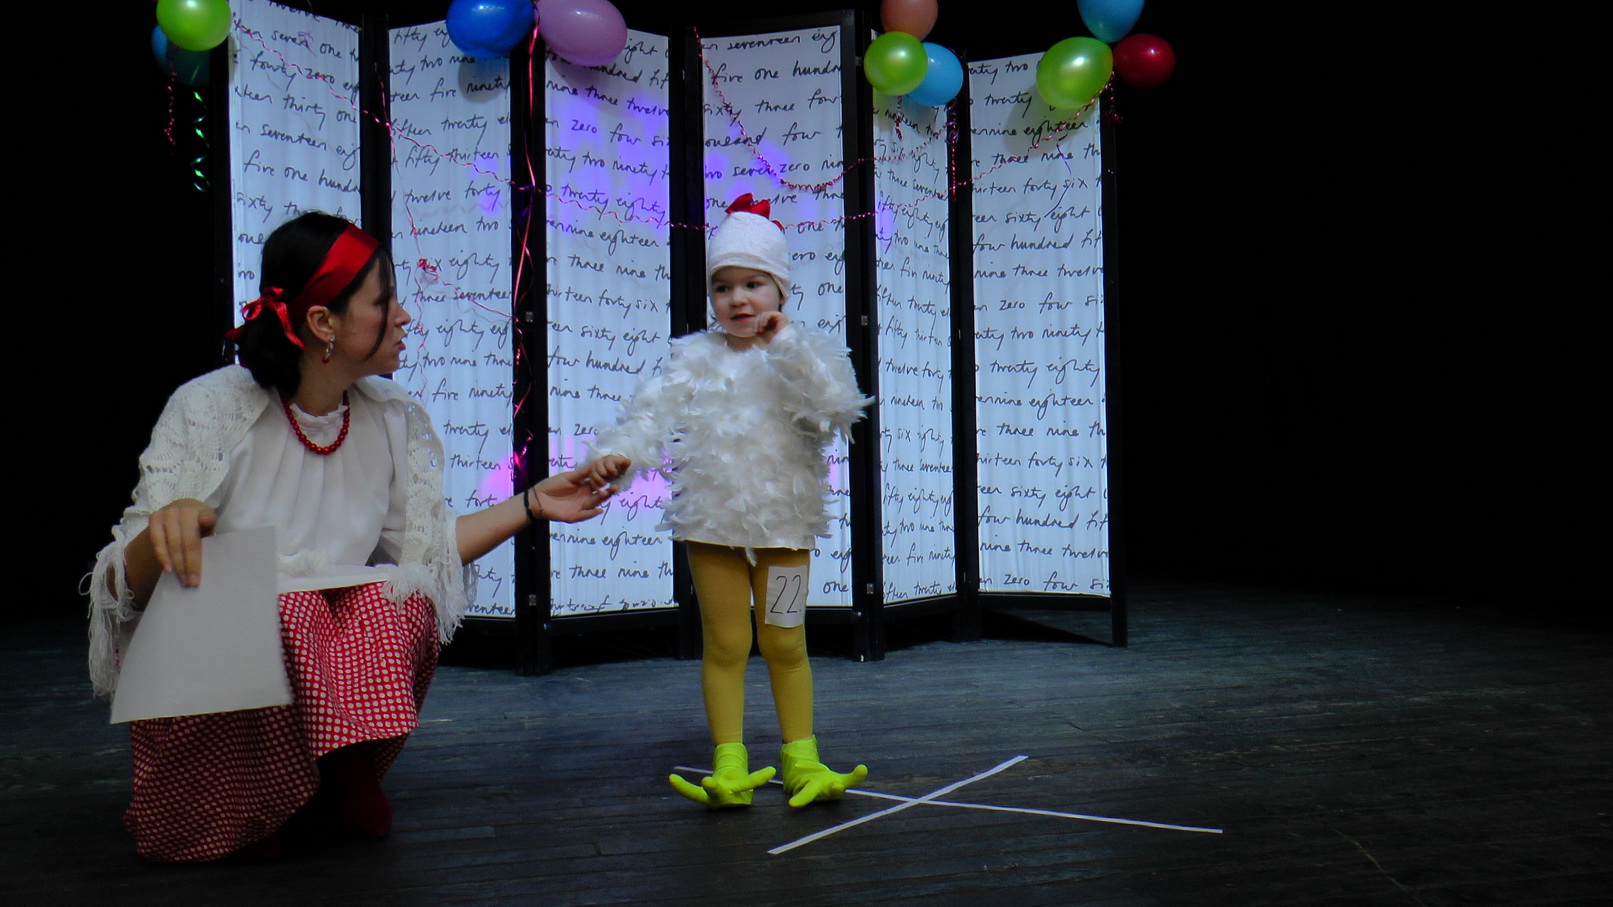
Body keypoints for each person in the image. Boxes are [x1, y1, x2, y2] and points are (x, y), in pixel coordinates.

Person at [86, 212, 614, 862]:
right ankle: (263, 793)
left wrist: (533, 503)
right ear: (322, 322)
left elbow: (423, 552)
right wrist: (162, 533)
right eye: (384, 300)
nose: (404, 316)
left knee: (396, 599)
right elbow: (123, 588)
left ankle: (338, 771)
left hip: (306, 686)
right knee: (295, 608)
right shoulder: (211, 408)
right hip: (217, 692)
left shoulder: (388, 416)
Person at [584, 195, 872, 809]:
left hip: (785, 533)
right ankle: (730, 762)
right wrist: (619, 455)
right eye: (723, 287)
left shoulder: (804, 353)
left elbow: (837, 408)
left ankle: (802, 759)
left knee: (785, 642)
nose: (738, 299)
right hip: (712, 529)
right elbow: (649, 415)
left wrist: (787, 346)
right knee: (725, 645)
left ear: (781, 290)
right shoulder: (695, 357)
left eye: (753, 284)